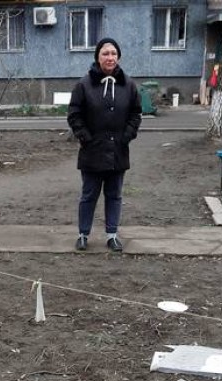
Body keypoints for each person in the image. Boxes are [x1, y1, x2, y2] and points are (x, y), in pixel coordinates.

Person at [66, 37, 141, 253]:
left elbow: (136, 114)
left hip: (118, 152)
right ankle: (83, 234)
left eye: (113, 53)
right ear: (98, 57)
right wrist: (85, 138)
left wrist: (126, 136)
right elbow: (74, 114)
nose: (110, 57)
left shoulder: (128, 84)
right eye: (105, 53)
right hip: (92, 152)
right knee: (89, 194)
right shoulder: (84, 85)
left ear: (118, 57)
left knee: (114, 195)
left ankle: (112, 235)